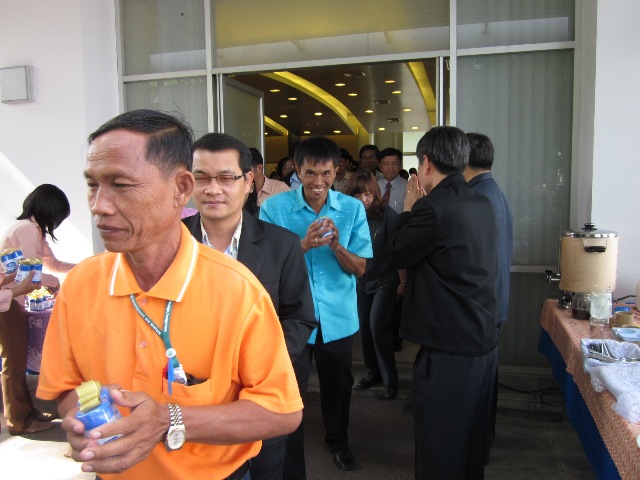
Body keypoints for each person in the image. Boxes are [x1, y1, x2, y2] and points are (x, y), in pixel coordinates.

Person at [36, 109, 303, 480]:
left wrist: (169, 418)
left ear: (180, 187)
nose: (99, 205)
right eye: (93, 185)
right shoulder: (82, 284)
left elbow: (282, 411)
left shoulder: (237, 290)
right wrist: (81, 422)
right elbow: (64, 387)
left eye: (121, 185)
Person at [183, 132, 317, 480]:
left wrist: (262, 367)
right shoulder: (170, 244)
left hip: (257, 396)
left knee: (265, 469)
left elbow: (300, 318)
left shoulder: (282, 245)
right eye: (202, 178)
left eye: (226, 178)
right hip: (188, 397)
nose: (213, 189)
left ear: (248, 182)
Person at [387, 126, 498, 480]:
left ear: (426, 163)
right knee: (469, 446)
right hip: (480, 341)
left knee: (439, 448)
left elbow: (394, 253)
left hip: (450, 347)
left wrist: (407, 209)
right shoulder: (480, 201)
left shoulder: (432, 207)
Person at [260, 136, 373, 472]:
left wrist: (337, 246)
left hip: (337, 317)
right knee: (288, 388)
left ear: (337, 171)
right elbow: (265, 267)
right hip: (291, 318)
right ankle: (287, 453)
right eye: (310, 173)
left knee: (338, 387)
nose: (318, 181)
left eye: (326, 173)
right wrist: (304, 245)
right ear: (297, 170)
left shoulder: (352, 209)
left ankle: (338, 442)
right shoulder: (274, 209)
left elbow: (362, 268)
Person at [0, 184, 76, 435]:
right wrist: (52, 283)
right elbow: (30, 274)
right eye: (58, 217)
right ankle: (18, 420)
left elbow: (53, 264)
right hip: (7, 303)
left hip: (13, 301)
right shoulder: (26, 230)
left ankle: (26, 411)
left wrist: (88, 266)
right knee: (14, 362)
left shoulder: (33, 230)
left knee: (18, 360)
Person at [464, 132, 514, 460]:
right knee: (485, 385)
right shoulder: (491, 191)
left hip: (482, 308)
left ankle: (477, 448)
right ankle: (483, 440)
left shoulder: (478, 197)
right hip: (493, 304)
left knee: (478, 390)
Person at [345, 171, 403, 401]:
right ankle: (372, 372)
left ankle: (390, 379)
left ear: (375, 194)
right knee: (364, 327)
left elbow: (400, 252)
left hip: (386, 279)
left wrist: (403, 281)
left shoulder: (388, 216)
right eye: (358, 195)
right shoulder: (348, 216)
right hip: (361, 280)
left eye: (367, 194)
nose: (363, 200)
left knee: (378, 325)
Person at [377, 147, 408, 215]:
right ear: (380, 166)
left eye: (394, 163)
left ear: (400, 165)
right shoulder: (374, 187)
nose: (390, 168)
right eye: (386, 164)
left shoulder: (408, 187)